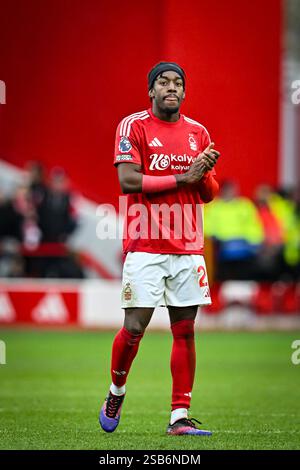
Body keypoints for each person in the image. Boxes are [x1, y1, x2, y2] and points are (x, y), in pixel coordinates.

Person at [99, 62, 220, 436]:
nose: (172, 88)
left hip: (187, 246)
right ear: (151, 90)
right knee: (134, 328)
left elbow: (209, 193)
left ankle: (178, 417)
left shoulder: (198, 133)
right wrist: (184, 175)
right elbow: (128, 180)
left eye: (178, 83)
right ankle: (116, 391)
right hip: (146, 244)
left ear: (184, 92)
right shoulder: (133, 126)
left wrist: (203, 174)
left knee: (185, 331)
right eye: (164, 82)